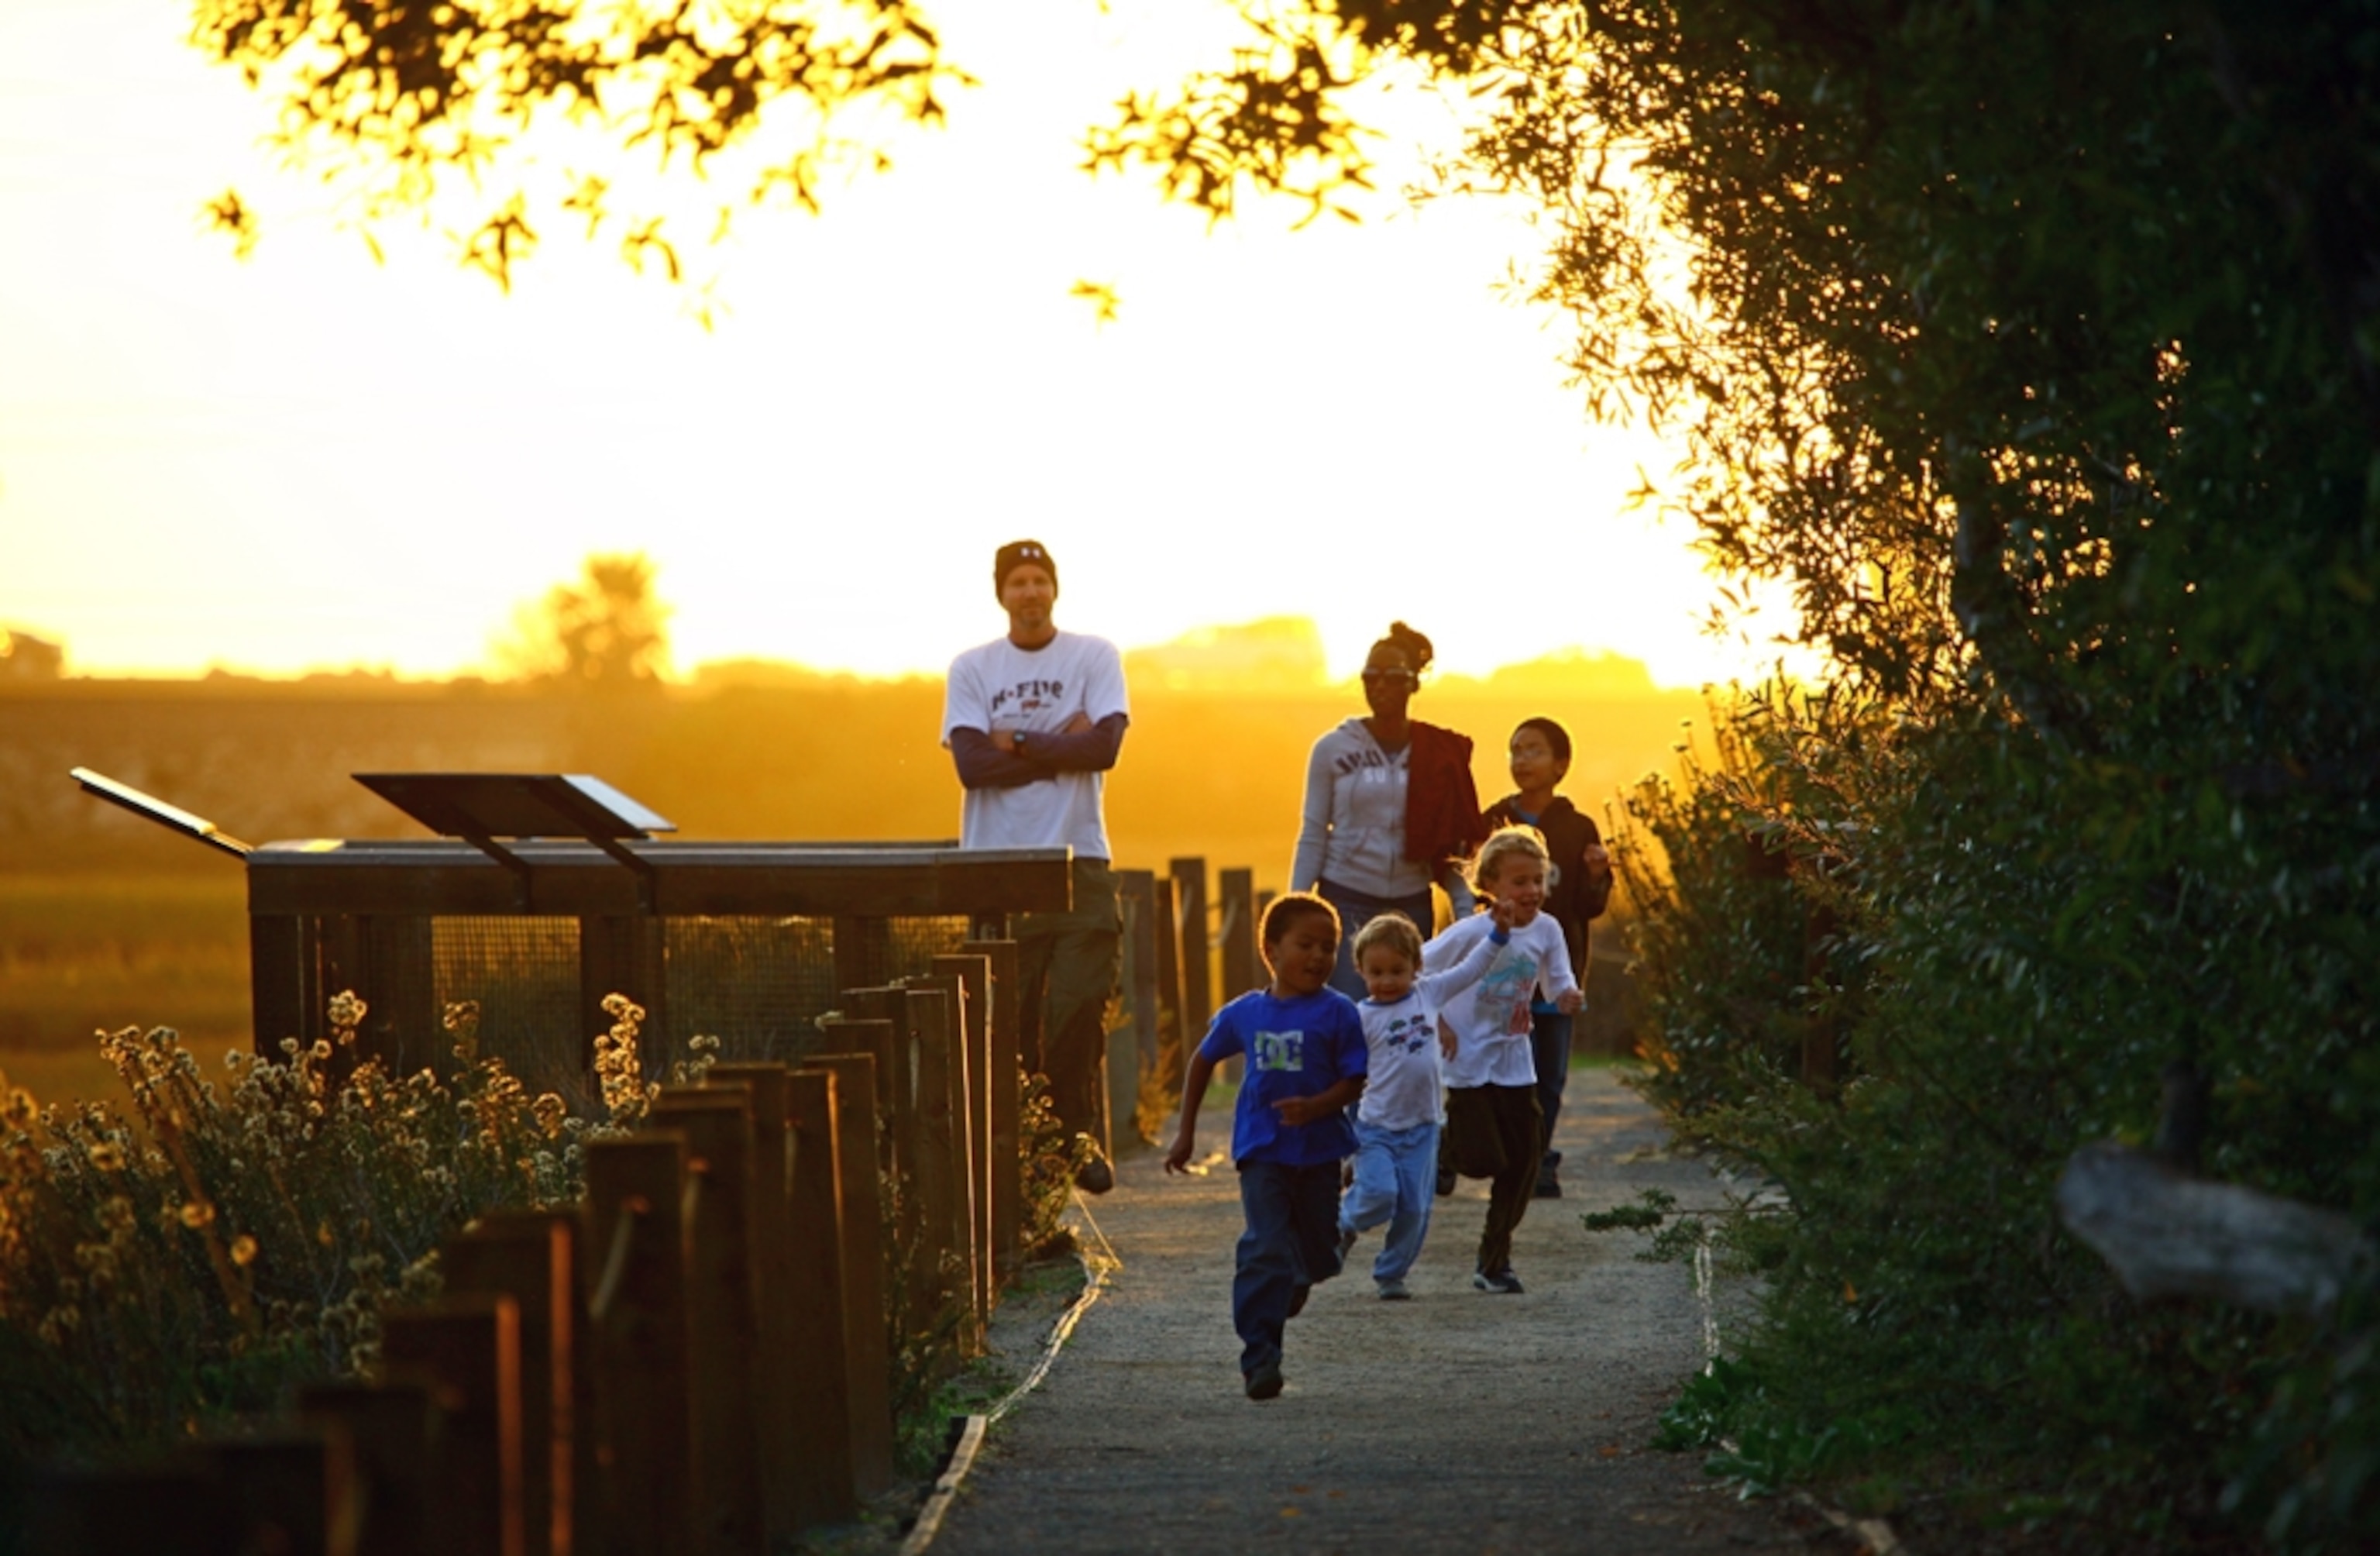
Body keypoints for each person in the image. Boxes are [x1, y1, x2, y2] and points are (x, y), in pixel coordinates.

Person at [942, 539, 1130, 1193]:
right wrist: (1061, 744)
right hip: (999, 864)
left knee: (1078, 1008)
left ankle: (1076, 1136)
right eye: (1017, 582)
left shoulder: (1093, 656)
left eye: (1039, 580)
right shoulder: (972, 668)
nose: (1029, 592)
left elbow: (1104, 747)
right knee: (1010, 1021)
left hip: (1081, 858)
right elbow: (971, 764)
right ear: (1002, 593)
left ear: (1055, 589)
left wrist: (1017, 739)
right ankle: (1023, 1162)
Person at [1164, 893, 1367, 1400]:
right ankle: (1260, 1359)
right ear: (1271, 949)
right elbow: (1201, 1061)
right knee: (1265, 1247)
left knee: (1319, 1254)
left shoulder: (1339, 1012)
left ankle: (1308, 1268)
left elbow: (1354, 1081)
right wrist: (1186, 1133)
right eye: (1306, 945)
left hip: (1319, 1152)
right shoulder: (1246, 1014)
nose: (1319, 957)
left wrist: (1317, 1107)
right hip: (1263, 1151)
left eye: (1329, 947)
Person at [1289, 621, 1488, 1000]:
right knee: (1352, 1010)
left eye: (1393, 676)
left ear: (1413, 682)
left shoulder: (1440, 752)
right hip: (1347, 895)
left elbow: (1452, 841)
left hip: (1411, 901)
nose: (1380, 686)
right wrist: (1294, 908)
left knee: (1405, 1014)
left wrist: (1466, 912)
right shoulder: (1332, 748)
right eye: (1370, 676)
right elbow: (1314, 832)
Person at [1333, 902, 1512, 1299]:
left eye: (1397, 971)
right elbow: (1339, 1066)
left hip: (1423, 1128)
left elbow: (1469, 970)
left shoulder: (1428, 994)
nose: (1387, 981)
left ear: (1417, 967)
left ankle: (1391, 1274)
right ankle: (1342, 1225)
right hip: (1376, 1127)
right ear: (1360, 970)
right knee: (1380, 1194)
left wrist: (1497, 936)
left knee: (1414, 1209)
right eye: (1376, 973)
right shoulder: (1358, 1017)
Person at [1430, 826, 1582, 1294]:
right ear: (1491, 885)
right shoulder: (1471, 933)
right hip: (1468, 1061)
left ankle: (1494, 1261)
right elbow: (1418, 971)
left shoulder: (1548, 929)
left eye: (1538, 880)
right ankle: (1438, 1149)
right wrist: (1438, 1022)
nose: (1532, 891)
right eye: (1519, 882)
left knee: (1524, 1160)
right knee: (1481, 1160)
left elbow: (1557, 984)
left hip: (1516, 1062)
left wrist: (1568, 996)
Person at [1482, 717, 1615, 1199]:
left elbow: (1588, 906)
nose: (1522, 760)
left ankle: (1536, 1159)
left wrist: (1598, 875)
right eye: (1515, 750)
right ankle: (1508, 1154)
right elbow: (1476, 895)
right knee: (1498, 1069)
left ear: (1561, 764)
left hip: (1555, 975)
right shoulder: (1493, 822)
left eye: (1534, 751)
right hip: (1501, 978)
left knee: (1548, 1076)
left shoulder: (1577, 827)